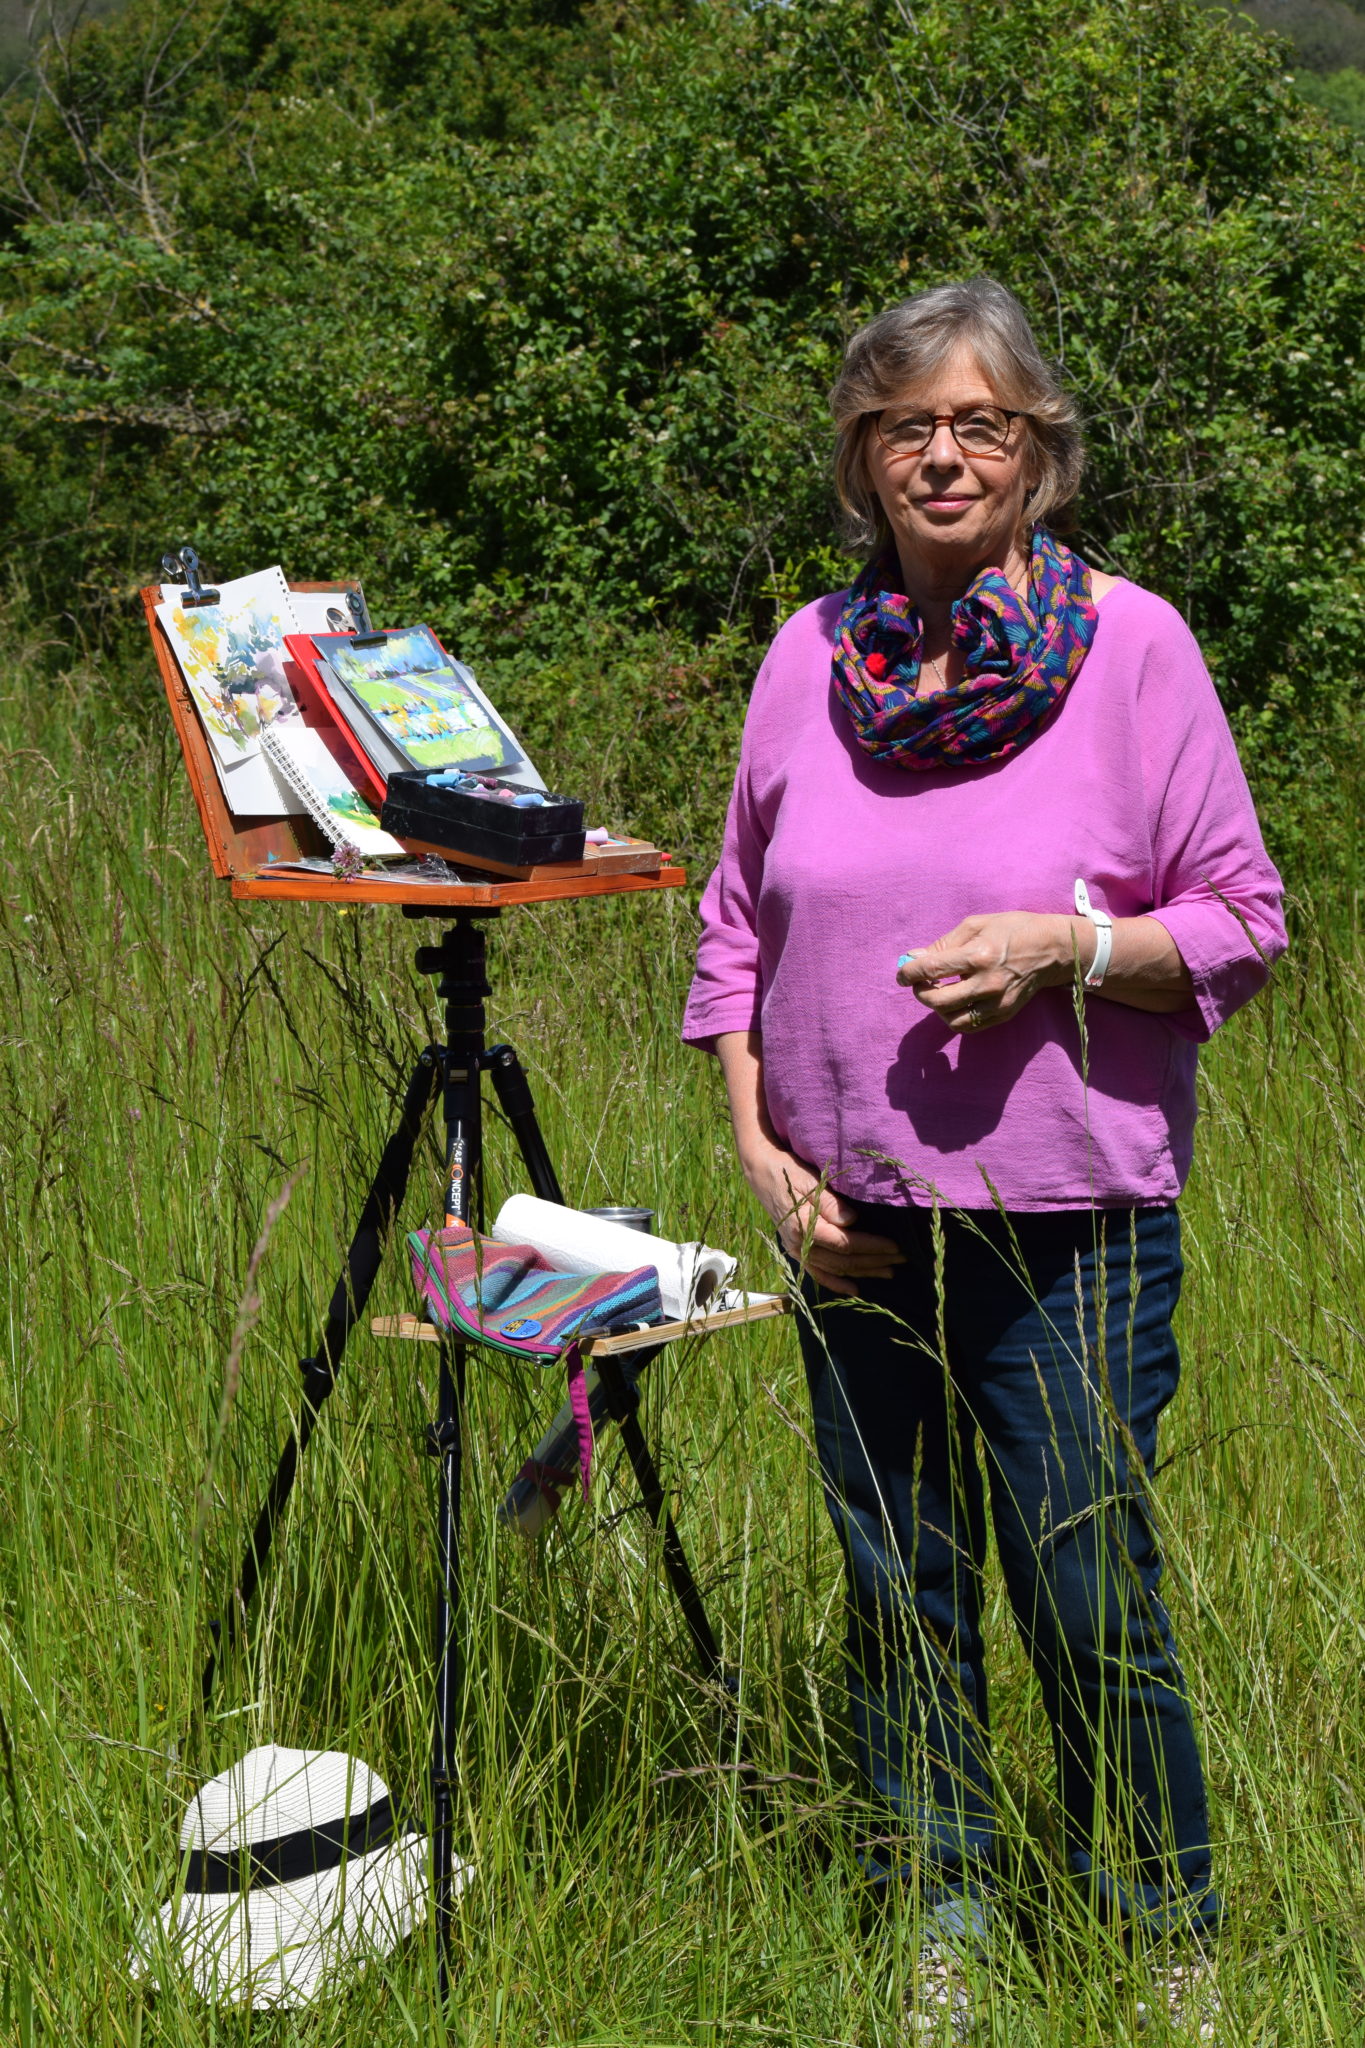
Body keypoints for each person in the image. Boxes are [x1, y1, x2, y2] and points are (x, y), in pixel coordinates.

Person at [682, 278, 1285, 2025]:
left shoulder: (1133, 646)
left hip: (1070, 1211)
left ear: (1039, 458)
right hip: (844, 1211)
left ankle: (1160, 1925)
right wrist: (758, 1154)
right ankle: (938, 1910)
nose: (941, 454)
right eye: (904, 426)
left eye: (980, 424)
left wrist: (1063, 949)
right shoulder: (809, 653)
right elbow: (736, 927)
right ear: (862, 460)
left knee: (1080, 1573)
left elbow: (1241, 917)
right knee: (896, 1573)